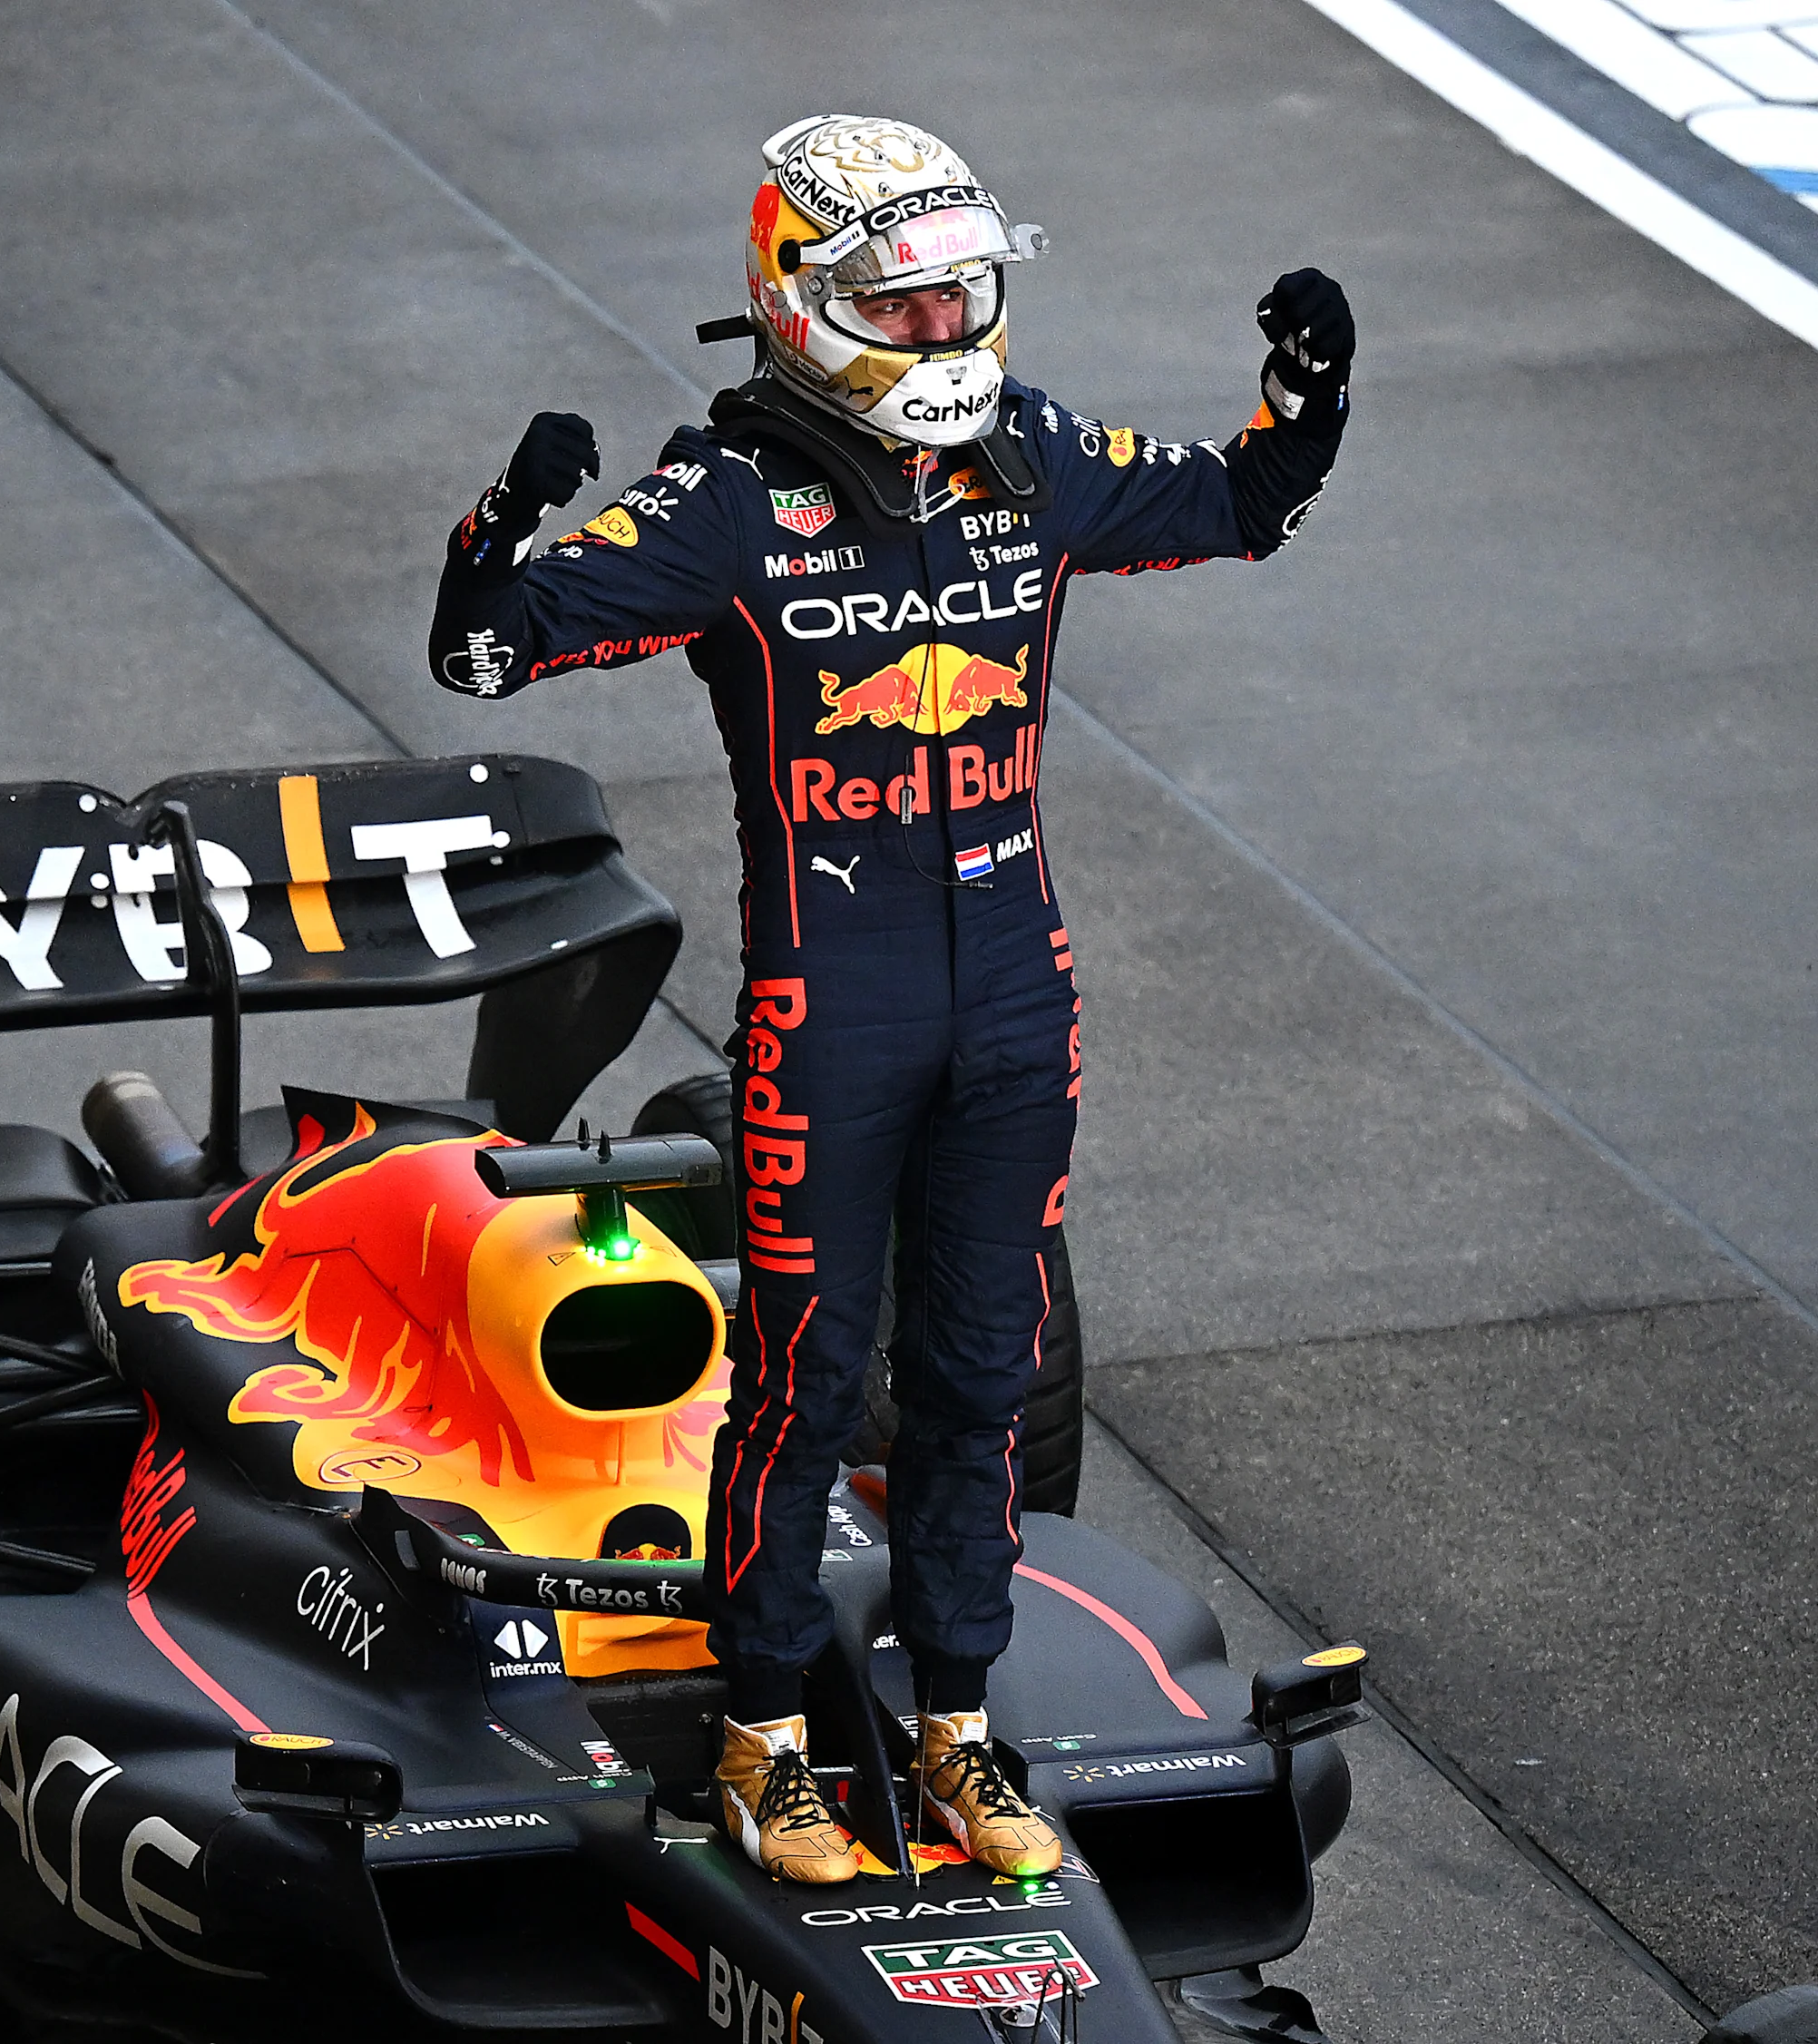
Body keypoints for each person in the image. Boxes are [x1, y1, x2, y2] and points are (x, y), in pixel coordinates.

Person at [429, 113, 1348, 1884]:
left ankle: (954, 1728)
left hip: (1017, 1002)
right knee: (802, 1375)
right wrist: (502, 517)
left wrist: (1301, 399)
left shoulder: (1040, 457)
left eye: (961, 298)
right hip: (823, 1016)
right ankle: (764, 1748)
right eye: (902, 304)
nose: (944, 337)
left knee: (980, 1381)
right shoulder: (721, 502)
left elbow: (1243, 507)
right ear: (802, 302)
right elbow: (480, 654)